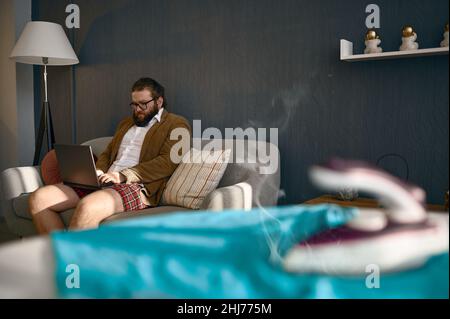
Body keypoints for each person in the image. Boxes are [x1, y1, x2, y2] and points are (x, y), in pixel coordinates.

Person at [28, 77, 191, 234]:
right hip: (105, 180)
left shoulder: (177, 124)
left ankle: (72, 261)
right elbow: (107, 153)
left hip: (137, 186)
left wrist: (122, 175)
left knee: (88, 206)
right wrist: (98, 171)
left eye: (143, 104)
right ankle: (61, 255)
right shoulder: (126, 123)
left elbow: (168, 162)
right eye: (134, 104)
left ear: (159, 101)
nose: (137, 109)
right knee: (39, 199)